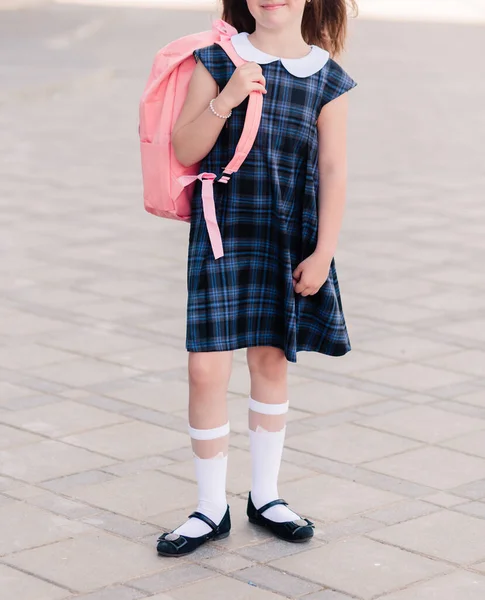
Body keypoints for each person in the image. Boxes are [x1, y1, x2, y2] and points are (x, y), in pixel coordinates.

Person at [156, 0, 358, 557]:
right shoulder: (217, 59)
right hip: (224, 231)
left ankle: (265, 496)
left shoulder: (327, 78)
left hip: (288, 232)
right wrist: (227, 98)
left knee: (270, 361)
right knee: (204, 371)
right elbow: (184, 147)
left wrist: (324, 253)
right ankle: (209, 507)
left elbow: (335, 169)